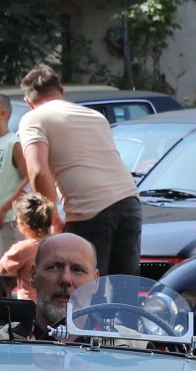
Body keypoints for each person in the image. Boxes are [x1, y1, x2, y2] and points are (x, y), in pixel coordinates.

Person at [18, 64, 142, 277]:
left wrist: (52, 217)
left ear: (28, 101)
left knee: (82, 286)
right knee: (124, 285)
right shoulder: (95, 116)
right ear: (62, 91)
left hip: (89, 209)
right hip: (129, 201)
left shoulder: (33, 118)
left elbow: (38, 171)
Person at [0, 92, 30, 294]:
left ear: (2, 114)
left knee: (9, 275)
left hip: (7, 219)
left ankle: (15, 311)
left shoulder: (13, 142)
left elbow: (28, 177)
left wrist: (4, 207)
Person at [0, 192, 56, 300]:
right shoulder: (58, 243)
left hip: (28, 305)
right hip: (51, 303)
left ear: (24, 224)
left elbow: (3, 268)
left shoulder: (22, 248)